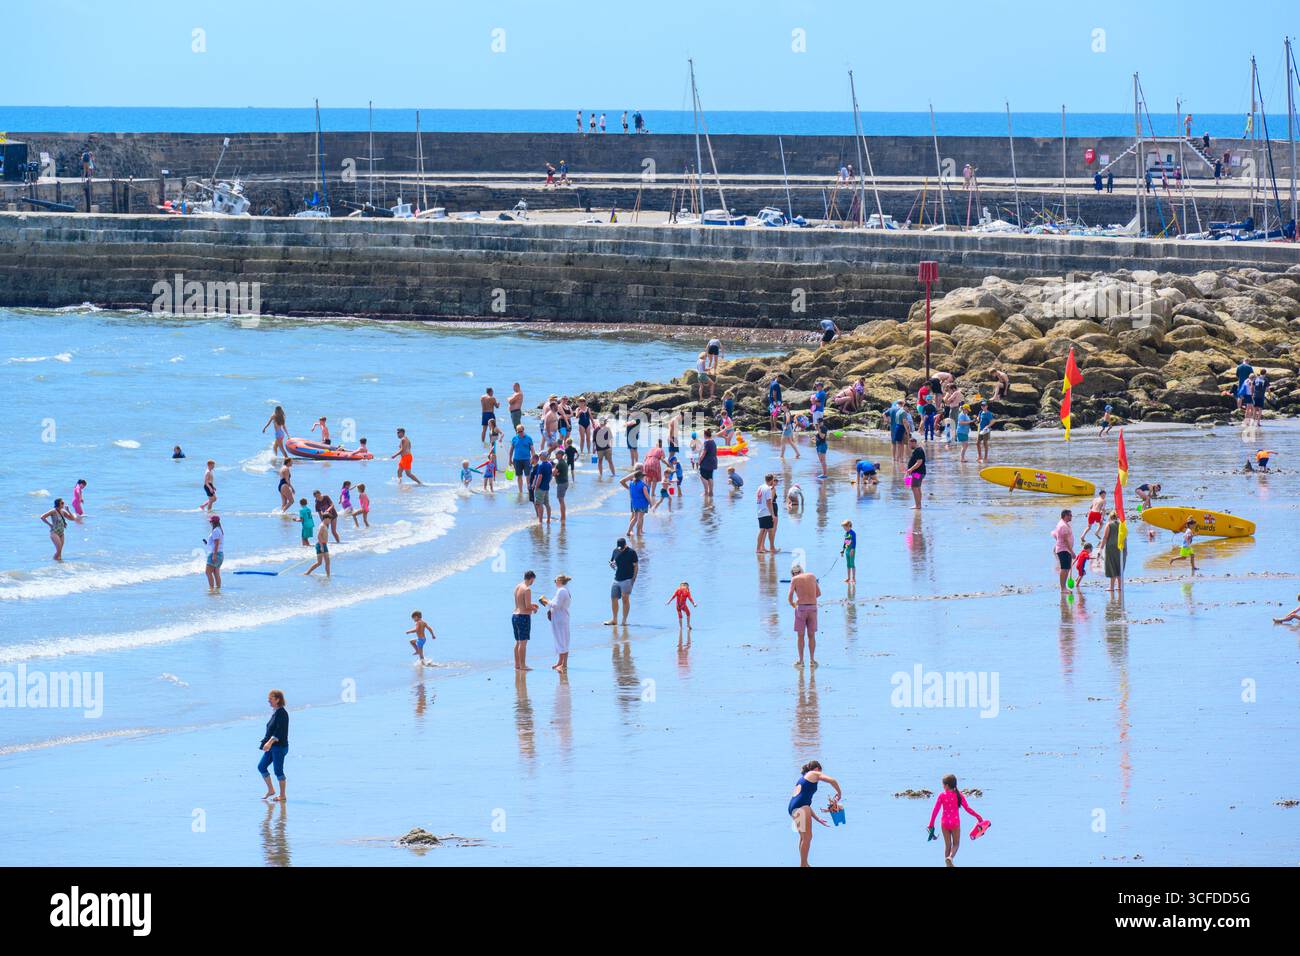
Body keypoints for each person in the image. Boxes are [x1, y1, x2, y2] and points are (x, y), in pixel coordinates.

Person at [788, 760, 843, 868]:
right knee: (807, 837)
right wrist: (839, 793)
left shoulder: (803, 779)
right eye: (820, 772)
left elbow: (804, 802)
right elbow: (832, 780)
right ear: (817, 769)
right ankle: (803, 864)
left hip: (794, 807)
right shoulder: (813, 773)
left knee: (804, 837)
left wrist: (818, 818)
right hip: (801, 808)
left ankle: (804, 864)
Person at [927, 774, 984, 867]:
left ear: (947, 785)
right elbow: (968, 809)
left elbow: (935, 811)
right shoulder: (959, 795)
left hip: (944, 823)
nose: (942, 786)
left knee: (947, 846)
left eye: (943, 785)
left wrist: (931, 824)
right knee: (956, 844)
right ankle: (950, 858)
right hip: (955, 823)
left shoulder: (942, 795)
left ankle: (947, 863)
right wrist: (978, 817)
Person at [536, 574, 572, 672]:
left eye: (555, 580)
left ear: (559, 581)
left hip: (560, 618)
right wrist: (549, 604)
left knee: (561, 640)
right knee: (563, 640)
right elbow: (557, 604)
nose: (554, 582)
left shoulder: (561, 591)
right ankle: (561, 662)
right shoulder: (564, 590)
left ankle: (563, 664)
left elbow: (556, 605)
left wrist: (546, 601)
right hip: (561, 617)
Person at [788, 562, 821, 667]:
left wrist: (795, 604)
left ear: (793, 574)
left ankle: (801, 661)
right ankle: (812, 660)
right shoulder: (812, 576)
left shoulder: (794, 580)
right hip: (813, 608)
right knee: (811, 635)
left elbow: (789, 597)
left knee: (800, 636)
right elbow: (819, 593)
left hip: (801, 609)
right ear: (802, 570)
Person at [259, 690, 289, 802]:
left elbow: (279, 732)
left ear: (277, 699)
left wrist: (269, 742)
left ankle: (282, 795)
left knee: (278, 771)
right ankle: (271, 790)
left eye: (270, 699)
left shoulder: (282, 713)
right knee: (261, 766)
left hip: (279, 747)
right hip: (273, 747)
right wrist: (265, 743)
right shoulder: (276, 712)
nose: (268, 701)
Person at [606, 538, 638, 625]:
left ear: (625, 545)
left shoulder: (632, 552)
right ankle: (614, 619)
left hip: (627, 579)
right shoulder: (615, 551)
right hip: (616, 579)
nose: (621, 549)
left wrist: (634, 579)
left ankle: (624, 621)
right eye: (619, 548)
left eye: (622, 547)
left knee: (625, 599)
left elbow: (636, 566)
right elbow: (613, 562)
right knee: (613, 598)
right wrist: (612, 564)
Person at [513, 571, 539, 671]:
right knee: (523, 643)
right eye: (533, 580)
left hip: (515, 616)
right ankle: (523, 665)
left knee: (518, 642)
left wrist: (532, 605)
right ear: (531, 578)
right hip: (523, 617)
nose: (533, 582)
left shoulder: (518, 586)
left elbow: (520, 603)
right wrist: (534, 609)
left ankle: (517, 664)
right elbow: (527, 607)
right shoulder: (527, 589)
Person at [1099, 511, 1126, 594]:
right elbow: (1125, 537)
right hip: (1121, 547)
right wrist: (1126, 550)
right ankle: (1119, 587)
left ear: (1110, 517)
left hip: (1111, 547)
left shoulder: (1109, 524)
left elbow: (1105, 537)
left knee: (1112, 566)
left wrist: (1100, 548)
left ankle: (1111, 587)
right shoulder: (1122, 524)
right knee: (1119, 566)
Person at [620, 467, 649, 536]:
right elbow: (622, 481)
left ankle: (640, 530)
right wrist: (629, 489)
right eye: (642, 469)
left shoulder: (639, 477)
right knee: (635, 516)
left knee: (638, 516)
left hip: (636, 498)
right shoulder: (633, 475)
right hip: (636, 498)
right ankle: (633, 531)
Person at [1052, 510, 1075, 592]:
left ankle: (1064, 587)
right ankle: (1063, 588)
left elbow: (1054, 533)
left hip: (1064, 549)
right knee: (1064, 568)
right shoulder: (1063, 526)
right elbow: (1065, 541)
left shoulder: (1063, 524)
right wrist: (1072, 552)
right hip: (1064, 549)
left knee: (1067, 568)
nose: (1071, 516)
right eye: (1070, 515)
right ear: (1065, 515)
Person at [755, 473, 778, 553]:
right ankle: (771, 548)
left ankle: (759, 548)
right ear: (771, 480)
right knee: (769, 530)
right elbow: (769, 502)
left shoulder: (760, 487)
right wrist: (772, 515)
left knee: (762, 530)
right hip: (766, 512)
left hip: (760, 511)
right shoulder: (768, 488)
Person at [531, 450, 554, 525]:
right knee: (547, 504)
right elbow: (551, 475)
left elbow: (539, 477)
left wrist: (536, 486)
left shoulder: (541, 465)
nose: (539, 456)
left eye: (540, 455)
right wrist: (547, 482)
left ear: (542, 456)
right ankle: (548, 519)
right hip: (546, 487)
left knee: (539, 504)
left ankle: (540, 521)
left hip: (540, 487)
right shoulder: (549, 464)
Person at [510, 424, 534, 492]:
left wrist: (533, 459)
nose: (520, 433)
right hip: (517, 460)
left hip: (527, 459)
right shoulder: (514, 439)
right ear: (516, 432)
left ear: (523, 430)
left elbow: (532, 450)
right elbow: (511, 450)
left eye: (521, 431)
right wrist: (509, 459)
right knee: (519, 476)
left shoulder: (528, 438)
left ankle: (529, 490)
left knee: (528, 475)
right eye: (518, 432)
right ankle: (520, 491)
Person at [904, 436, 926, 510]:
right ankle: (918, 504)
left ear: (914, 443)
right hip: (918, 472)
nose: (909, 446)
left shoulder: (918, 451)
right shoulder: (918, 450)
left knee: (914, 488)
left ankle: (918, 505)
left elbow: (919, 462)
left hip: (918, 473)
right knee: (918, 488)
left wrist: (910, 469)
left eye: (910, 444)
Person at [205, 514, 224, 590]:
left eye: (211, 522)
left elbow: (217, 543)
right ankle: (218, 589)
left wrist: (214, 555)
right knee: (216, 572)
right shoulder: (220, 530)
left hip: (215, 554)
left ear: (213, 522)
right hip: (220, 554)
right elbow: (216, 543)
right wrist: (208, 544)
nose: (210, 523)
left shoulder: (215, 531)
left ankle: (211, 589)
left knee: (208, 572)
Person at [698, 428, 718, 497]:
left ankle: (706, 492)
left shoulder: (706, 442)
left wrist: (699, 461)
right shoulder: (713, 441)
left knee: (702, 477)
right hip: (713, 461)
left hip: (706, 462)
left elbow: (703, 453)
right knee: (710, 477)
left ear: (705, 435)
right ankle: (711, 492)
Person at [552, 450, 570, 523]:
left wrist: (555, 473)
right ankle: (563, 516)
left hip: (562, 483)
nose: (556, 455)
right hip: (565, 482)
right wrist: (557, 473)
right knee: (561, 500)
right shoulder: (563, 463)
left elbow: (553, 473)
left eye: (557, 454)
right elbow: (557, 473)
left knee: (561, 500)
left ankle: (563, 517)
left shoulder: (560, 464)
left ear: (560, 455)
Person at [841, 519, 857, 584]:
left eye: (845, 527)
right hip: (847, 550)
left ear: (848, 526)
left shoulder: (853, 533)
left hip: (851, 550)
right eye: (843, 528)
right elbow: (846, 542)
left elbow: (854, 542)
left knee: (852, 564)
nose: (844, 529)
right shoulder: (847, 533)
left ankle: (853, 578)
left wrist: (852, 549)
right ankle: (848, 578)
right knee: (848, 564)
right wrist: (843, 550)